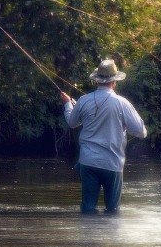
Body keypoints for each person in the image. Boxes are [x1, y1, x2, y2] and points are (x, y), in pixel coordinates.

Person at [60, 59, 147, 214]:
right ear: (114, 81)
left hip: (88, 162)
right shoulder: (122, 103)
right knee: (113, 210)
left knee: (87, 208)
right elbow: (141, 132)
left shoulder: (83, 100)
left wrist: (68, 104)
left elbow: (72, 122)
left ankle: (87, 236)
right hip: (112, 163)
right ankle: (109, 236)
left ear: (97, 80)